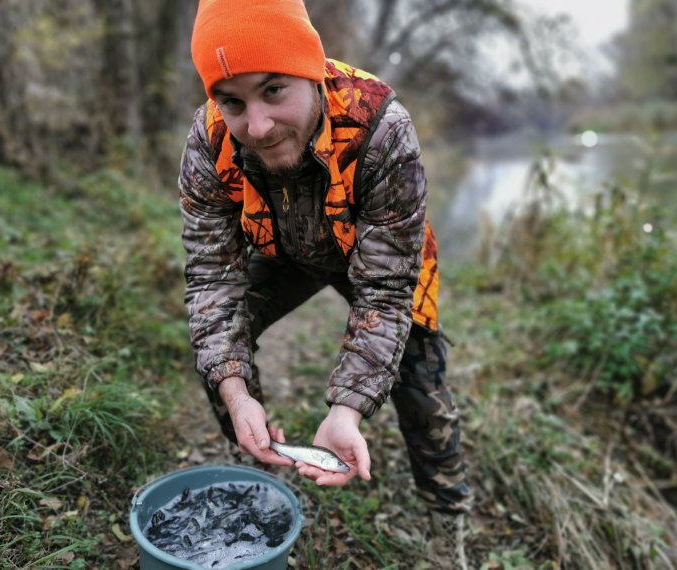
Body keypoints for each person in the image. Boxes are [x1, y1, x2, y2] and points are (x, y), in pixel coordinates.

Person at [179, 0, 470, 563]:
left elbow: (386, 292)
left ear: (310, 70)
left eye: (273, 91)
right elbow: (211, 281)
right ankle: (258, 454)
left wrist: (346, 408)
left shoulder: (382, 127)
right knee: (218, 351)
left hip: (374, 254)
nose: (257, 127)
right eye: (232, 101)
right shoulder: (208, 143)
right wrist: (234, 392)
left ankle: (446, 524)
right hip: (279, 248)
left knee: (423, 391)